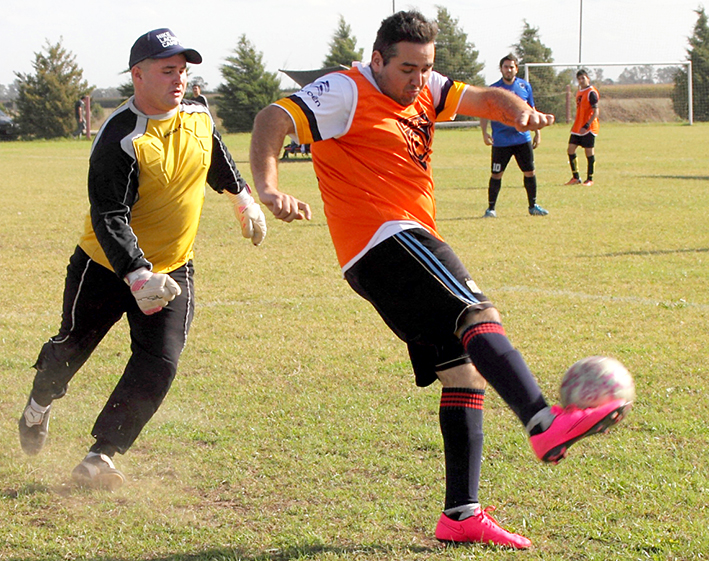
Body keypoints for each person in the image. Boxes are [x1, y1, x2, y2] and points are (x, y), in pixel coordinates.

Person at [249, 10, 630, 549]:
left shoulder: (426, 85)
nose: (416, 79)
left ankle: (461, 514)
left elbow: (486, 100)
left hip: (394, 247)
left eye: (424, 67)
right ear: (377, 58)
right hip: (385, 239)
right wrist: (268, 187)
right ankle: (543, 422)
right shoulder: (344, 90)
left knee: (463, 371)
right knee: (477, 313)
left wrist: (520, 111)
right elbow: (272, 118)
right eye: (406, 68)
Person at [18, 28, 267, 490]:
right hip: (107, 265)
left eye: (183, 70)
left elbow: (217, 157)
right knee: (72, 348)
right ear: (138, 75)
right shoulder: (120, 137)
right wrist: (136, 273)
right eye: (167, 70)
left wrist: (242, 199)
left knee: (161, 360)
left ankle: (100, 457)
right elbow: (108, 214)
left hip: (174, 266)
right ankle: (39, 402)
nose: (179, 79)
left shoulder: (198, 115)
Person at [480, 54, 548, 217]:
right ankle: (491, 209)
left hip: (522, 139)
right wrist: (484, 132)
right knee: (496, 174)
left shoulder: (525, 87)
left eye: (512, 67)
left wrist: (537, 132)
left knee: (529, 172)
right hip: (501, 141)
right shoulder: (494, 89)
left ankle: (533, 206)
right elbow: (483, 111)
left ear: (516, 69)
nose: (509, 70)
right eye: (506, 67)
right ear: (501, 69)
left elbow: (532, 110)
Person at [565, 69, 600, 186]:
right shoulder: (579, 92)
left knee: (589, 152)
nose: (581, 81)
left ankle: (590, 179)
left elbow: (596, 111)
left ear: (588, 78)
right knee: (570, 149)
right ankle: (576, 177)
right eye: (579, 79)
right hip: (578, 127)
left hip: (588, 127)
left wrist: (587, 125)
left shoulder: (591, 92)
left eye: (583, 78)